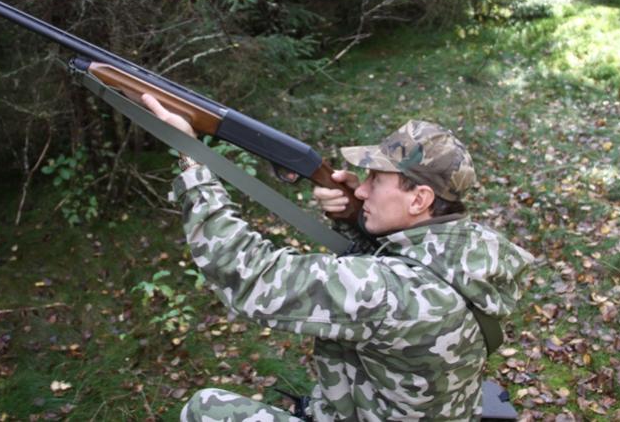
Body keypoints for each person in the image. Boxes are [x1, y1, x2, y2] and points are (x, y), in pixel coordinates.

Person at [141, 93, 534, 421]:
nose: (360, 190)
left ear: (419, 200)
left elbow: (250, 275)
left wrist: (192, 162)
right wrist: (355, 219)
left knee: (205, 408)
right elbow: (410, 262)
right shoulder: (475, 248)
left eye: (375, 180)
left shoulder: (387, 293)